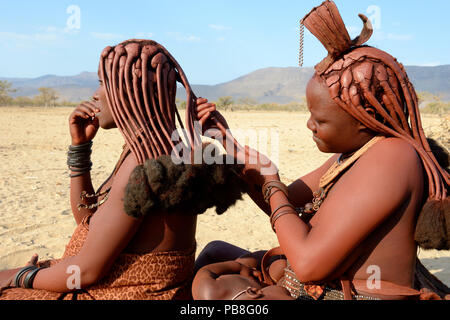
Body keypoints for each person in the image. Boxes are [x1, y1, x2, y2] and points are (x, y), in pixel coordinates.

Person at [194, 0, 449, 300]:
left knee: (213, 289)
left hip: (353, 294)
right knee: (215, 253)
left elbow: (307, 265)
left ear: (364, 119)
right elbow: (283, 205)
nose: (309, 125)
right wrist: (229, 144)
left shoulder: (392, 158)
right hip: (319, 279)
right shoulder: (352, 155)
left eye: (320, 119)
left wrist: (270, 179)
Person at [0, 39, 245, 300]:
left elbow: (86, 272)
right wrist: (80, 149)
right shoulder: (151, 149)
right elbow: (90, 224)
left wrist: (18, 276)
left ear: (132, 91)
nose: (95, 94)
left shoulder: (146, 164)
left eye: (104, 83)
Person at [192, 247, 292, 300]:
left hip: (244, 269)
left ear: (252, 292)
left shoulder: (209, 290)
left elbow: (205, 271)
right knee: (279, 267)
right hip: (265, 279)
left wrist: (242, 268)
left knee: (246, 261)